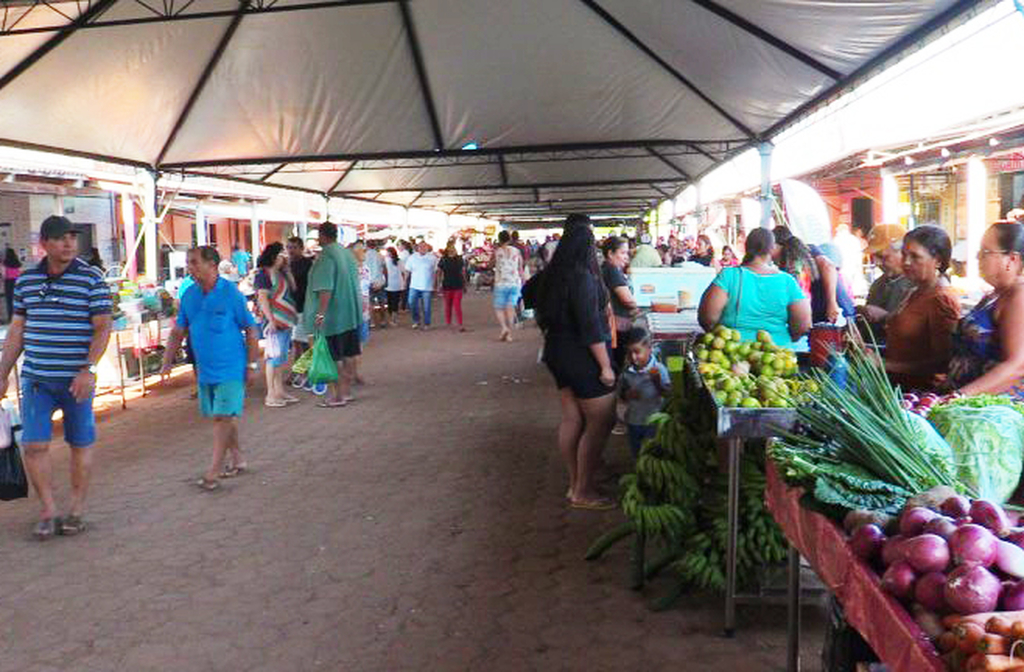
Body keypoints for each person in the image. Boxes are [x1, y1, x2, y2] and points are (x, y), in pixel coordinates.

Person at [0, 216, 111, 539]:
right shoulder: (27, 281)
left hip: (76, 381)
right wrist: (3, 371)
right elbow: (18, 329)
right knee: (34, 445)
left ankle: (75, 510)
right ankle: (48, 510)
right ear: (44, 244)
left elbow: (102, 326)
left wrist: (88, 369)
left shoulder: (91, 279)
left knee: (80, 443)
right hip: (37, 379)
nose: (69, 243)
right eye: (61, 238)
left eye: (72, 238)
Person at [535, 215, 616, 511]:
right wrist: (605, 366)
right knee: (602, 421)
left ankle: (576, 482)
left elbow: (527, 294)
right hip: (581, 355)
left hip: (556, 351)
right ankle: (583, 489)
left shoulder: (553, 272)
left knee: (573, 419)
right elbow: (590, 327)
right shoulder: (582, 276)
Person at [163, 246, 259, 490]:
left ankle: (213, 472)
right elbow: (178, 330)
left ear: (212, 265)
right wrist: (166, 361)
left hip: (231, 368)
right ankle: (238, 458)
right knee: (223, 415)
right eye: (189, 262)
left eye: (195, 262)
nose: (190, 267)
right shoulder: (190, 296)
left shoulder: (232, 294)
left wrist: (251, 363)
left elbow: (250, 329)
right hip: (206, 371)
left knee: (221, 417)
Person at [698, 228, 811, 348]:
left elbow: (708, 318)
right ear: (771, 249)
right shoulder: (787, 281)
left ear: (746, 247)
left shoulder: (729, 276)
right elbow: (803, 324)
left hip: (732, 351)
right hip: (778, 353)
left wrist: (718, 335)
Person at [948, 221, 1024, 398]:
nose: (977, 258)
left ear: (1011, 259)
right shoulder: (994, 294)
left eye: (985, 252)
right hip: (967, 399)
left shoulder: (1018, 297)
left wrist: (959, 396)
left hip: (993, 408)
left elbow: (1017, 365)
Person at [884, 225, 960, 391]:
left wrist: (887, 365)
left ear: (938, 261)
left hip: (916, 394)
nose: (906, 262)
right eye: (904, 255)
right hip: (895, 386)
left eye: (915, 257)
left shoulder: (941, 300)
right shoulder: (915, 290)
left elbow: (942, 362)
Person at [305, 222, 363, 408]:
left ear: (322, 235)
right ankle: (346, 392)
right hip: (350, 314)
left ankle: (337, 396)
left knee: (333, 357)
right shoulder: (346, 253)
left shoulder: (326, 257)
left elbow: (325, 289)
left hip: (333, 318)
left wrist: (320, 316)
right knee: (349, 353)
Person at [774, 226, 854, 324]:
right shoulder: (785, 262)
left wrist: (832, 303)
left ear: (776, 245)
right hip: (820, 317)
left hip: (837, 314)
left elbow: (828, 266)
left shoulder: (806, 251)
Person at [253, 242, 299, 408]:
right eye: (282, 254)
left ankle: (279, 391)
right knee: (273, 358)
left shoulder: (281, 273)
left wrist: (287, 270)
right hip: (273, 322)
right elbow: (263, 299)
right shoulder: (263, 275)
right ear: (274, 256)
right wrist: (271, 320)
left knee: (280, 358)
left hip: (285, 320)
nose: (284, 257)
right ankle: (271, 394)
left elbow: (293, 288)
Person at [618, 327, 671, 459]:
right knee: (637, 452)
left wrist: (657, 383)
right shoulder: (626, 371)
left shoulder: (659, 369)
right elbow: (622, 395)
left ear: (649, 349)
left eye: (637, 352)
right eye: (629, 353)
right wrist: (627, 395)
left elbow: (668, 395)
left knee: (654, 451)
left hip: (654, 421)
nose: (633, 357)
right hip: (633, 420)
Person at [857, 224, 913, 343]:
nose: (877, 263)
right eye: (874, 257)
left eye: (882, 257)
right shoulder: (878, 285)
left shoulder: (918, 284)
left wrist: (885, 317)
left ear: (903, 252)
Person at [600, 236, 638, 369]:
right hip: (618, 325)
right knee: (619, 361)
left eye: (627, 253)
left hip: (613, 324)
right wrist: (639, 308)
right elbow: (627, 300)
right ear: (610, 253)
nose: (626, 257)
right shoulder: (612, 270)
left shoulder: (607, 268)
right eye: (622, 253)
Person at [286, 236, 313, 385]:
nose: (291, 250)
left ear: (301, 248)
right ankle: (299, 371)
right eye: (289, 247)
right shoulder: (286, 264)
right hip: (291, 309)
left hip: (304, 307)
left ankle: (301, 371)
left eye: (294, 247)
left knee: (302, 342)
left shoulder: (307, 264)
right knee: (297, 342)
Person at [492, 230, 523, 341]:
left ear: (499, 240)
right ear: (509, 239)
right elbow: (520, 268)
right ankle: (509, 333)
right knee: (510, 307)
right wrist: (522, 280)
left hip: (500, 283)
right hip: (514, 283)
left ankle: (504, 328)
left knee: (499, 308)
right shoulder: (517, 251)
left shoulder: (497, 252)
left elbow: (492, 264)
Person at [404, 240, 438, 330]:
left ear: (427, 248)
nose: (423, 248)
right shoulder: (412, 257)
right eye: (421, 246)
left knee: (426, 306)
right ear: (417, 248)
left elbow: (435, 272)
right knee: (411, 303)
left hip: (427, 286)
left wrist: (435, 284)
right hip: (414, 285)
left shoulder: (432, 258)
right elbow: (407, 271)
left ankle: (427, 323)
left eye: (424, 246)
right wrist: (404, 281)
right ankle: (416, 320)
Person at [437, 240, 467, 331]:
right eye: (450, 247)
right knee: (448, 305)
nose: (452, 249)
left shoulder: (459, 259)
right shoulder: (443, 259)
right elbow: (439, 272)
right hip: (447, 284)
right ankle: (448, 323)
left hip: (458, 284)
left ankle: (460, 324)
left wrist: (464, 283)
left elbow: (463, 272)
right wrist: (439, 284)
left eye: (453, 247)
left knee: (457, 305)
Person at [365, 240, 387, 328]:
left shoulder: (364, 256)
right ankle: (383, 321)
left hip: (369, 281)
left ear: (367, 246)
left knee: (370, 303)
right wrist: (386, 280)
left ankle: (372, 322)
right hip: (379, 281)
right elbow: (384, 268)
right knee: (382, 303)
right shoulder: (380, 255)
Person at [383, 246, 403, 327]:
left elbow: (384, 272)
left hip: (388, 284)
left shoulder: (386, 260)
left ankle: (392, 318)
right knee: (395, 301)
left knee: (390, 302)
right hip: (397, 284)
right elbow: (403, 271)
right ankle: (394, 318)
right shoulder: (399, 261)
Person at [3, 247, 22, 322]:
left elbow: (4, 275)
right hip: (17, 282)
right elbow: (20, 272)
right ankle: (18, 317)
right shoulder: (17, 262)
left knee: (9, 301)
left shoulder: (5, 263)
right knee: (17, 300)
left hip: (8, 282)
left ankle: (11, 318)